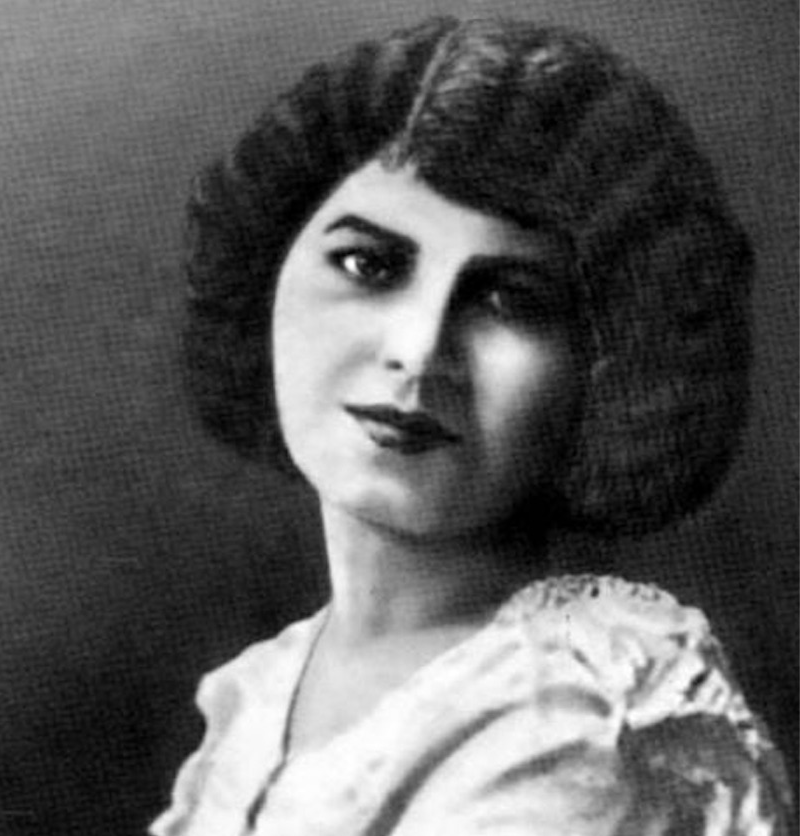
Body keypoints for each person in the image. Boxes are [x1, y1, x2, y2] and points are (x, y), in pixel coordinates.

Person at [153, 17, 793, 836]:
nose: (420, 353)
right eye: (369, 265)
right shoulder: (266, 688)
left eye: (510, 301)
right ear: (267, 274)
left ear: (606, 365)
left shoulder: (565, 721)